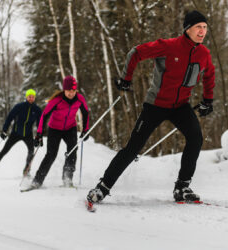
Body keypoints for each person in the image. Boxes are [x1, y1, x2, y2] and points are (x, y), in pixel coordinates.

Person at [87, 10, 215, 204]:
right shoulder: (169, 46)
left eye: (205, 27)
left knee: (196, 138)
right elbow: (136, 53)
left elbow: (209, 75)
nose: (202, 31)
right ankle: (102, 187)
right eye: (198, 27)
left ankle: (182, 187)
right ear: (187, 29)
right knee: (132, 148)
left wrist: (208, 100)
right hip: (156, 105)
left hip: (181, 106)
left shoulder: (204, 53)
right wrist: (125, 79)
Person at [29, 76, 90, 189]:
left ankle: (67, 178)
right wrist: (39, 134)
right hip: (55, 129)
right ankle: (37, 181)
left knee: (72, 151)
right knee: (51, 155)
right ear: (64, 90)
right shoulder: (57, 100)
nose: (71, 93)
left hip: (70, 128)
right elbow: (44, 115)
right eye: (68, 91)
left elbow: (85, 113)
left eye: (73, 91)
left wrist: (85, 130)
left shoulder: (80, 98)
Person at [0, 89, 42, 178]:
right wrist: (4, 130)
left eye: (33, 97)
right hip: (15, 133)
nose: (31, 98)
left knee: (31, 151)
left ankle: (26, 169)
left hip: (28, 134)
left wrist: (38, 136)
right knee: (4, 151)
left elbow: (40, 123)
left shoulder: (37, 109)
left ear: (34, 98)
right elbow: (9, 118)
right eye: (29, 96)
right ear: (26, 97)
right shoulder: (19, 106)